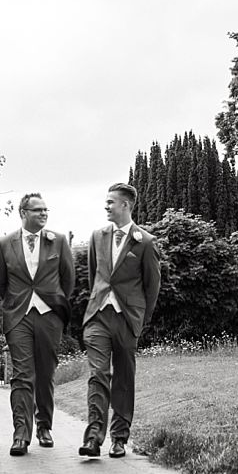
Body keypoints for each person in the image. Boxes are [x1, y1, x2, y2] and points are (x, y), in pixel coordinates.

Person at [78, 182, 161, 458]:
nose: (106, 206)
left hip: (127, 319)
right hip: (98, 317)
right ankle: (93, 438)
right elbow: (95, 277)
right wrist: (97, 303)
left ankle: (119, 438)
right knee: (98, 374)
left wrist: (139, 320)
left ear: (125, 205)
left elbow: (152, 287)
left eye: (111, 202)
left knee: (124, 378)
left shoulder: (145, 242)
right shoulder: (96, 236)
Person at [0, 193, 74, 456]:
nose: (44, 214)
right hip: (18, 316)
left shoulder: (59, 241)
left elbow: (68, 279)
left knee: (45, 373)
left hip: (50, 316)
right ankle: (21, 434)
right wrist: (17, 302)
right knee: (22, 374)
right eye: (38, 210)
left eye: (46, 210)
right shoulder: (5, 244)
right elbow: (0, 282)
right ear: (23, 213)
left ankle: (44, 426)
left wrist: (55, 305)